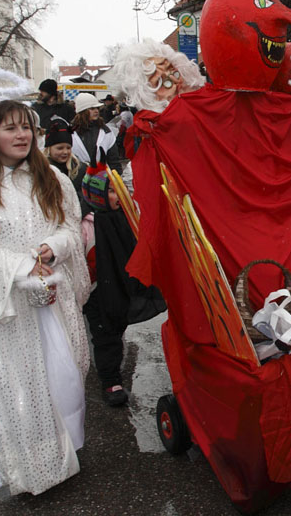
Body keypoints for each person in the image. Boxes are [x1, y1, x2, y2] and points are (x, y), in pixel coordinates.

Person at [0, 99, 91, 495]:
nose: (22, 135)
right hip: (7, 307)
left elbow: (69, 227)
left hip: (51, 300)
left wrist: (50, 249)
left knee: (62, 379)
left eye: (27, 127)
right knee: (17, 387)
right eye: (10, 128)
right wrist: (24, 266)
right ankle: (26, 467)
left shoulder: (53, 180)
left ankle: (65, 452)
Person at [80, 155, 167, 405]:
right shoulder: (86, 226)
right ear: (96, 197)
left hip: (122, 286)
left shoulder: (127, 217)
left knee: (117, 328)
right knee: (105, 336)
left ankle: (112, 369)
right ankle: (110, 381)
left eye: (119, 191)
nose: (119, 197)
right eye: (111, 193)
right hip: (98, 292)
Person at [43, 119, 88, 213]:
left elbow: (86, 198)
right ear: (49, 148)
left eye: (68, 148)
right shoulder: (43, 170)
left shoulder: (79, 169)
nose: (65, 152)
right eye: (59, 148)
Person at [70, 93, 121, 169]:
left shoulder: (105, 131)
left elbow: (114, 160)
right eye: (92, 108)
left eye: (97, 108)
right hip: (76, 177)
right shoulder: (70, 131)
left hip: (100, 177)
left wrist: (116, 176)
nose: (96, 111)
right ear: (82, 111)